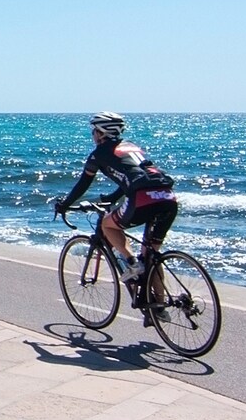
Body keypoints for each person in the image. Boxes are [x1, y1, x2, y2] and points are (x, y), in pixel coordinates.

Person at [52, 112, 179, 294]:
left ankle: (131, 263)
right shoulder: (132, 148)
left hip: (142, 198)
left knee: (107, 225)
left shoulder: (98, 154)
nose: (93, 135)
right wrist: (113, 197)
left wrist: (65, 204)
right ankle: (159, 306)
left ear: (102, 133)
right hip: (167, 197)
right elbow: (137, 176)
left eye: (94, 131)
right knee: (150, 256)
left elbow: (83, 184)